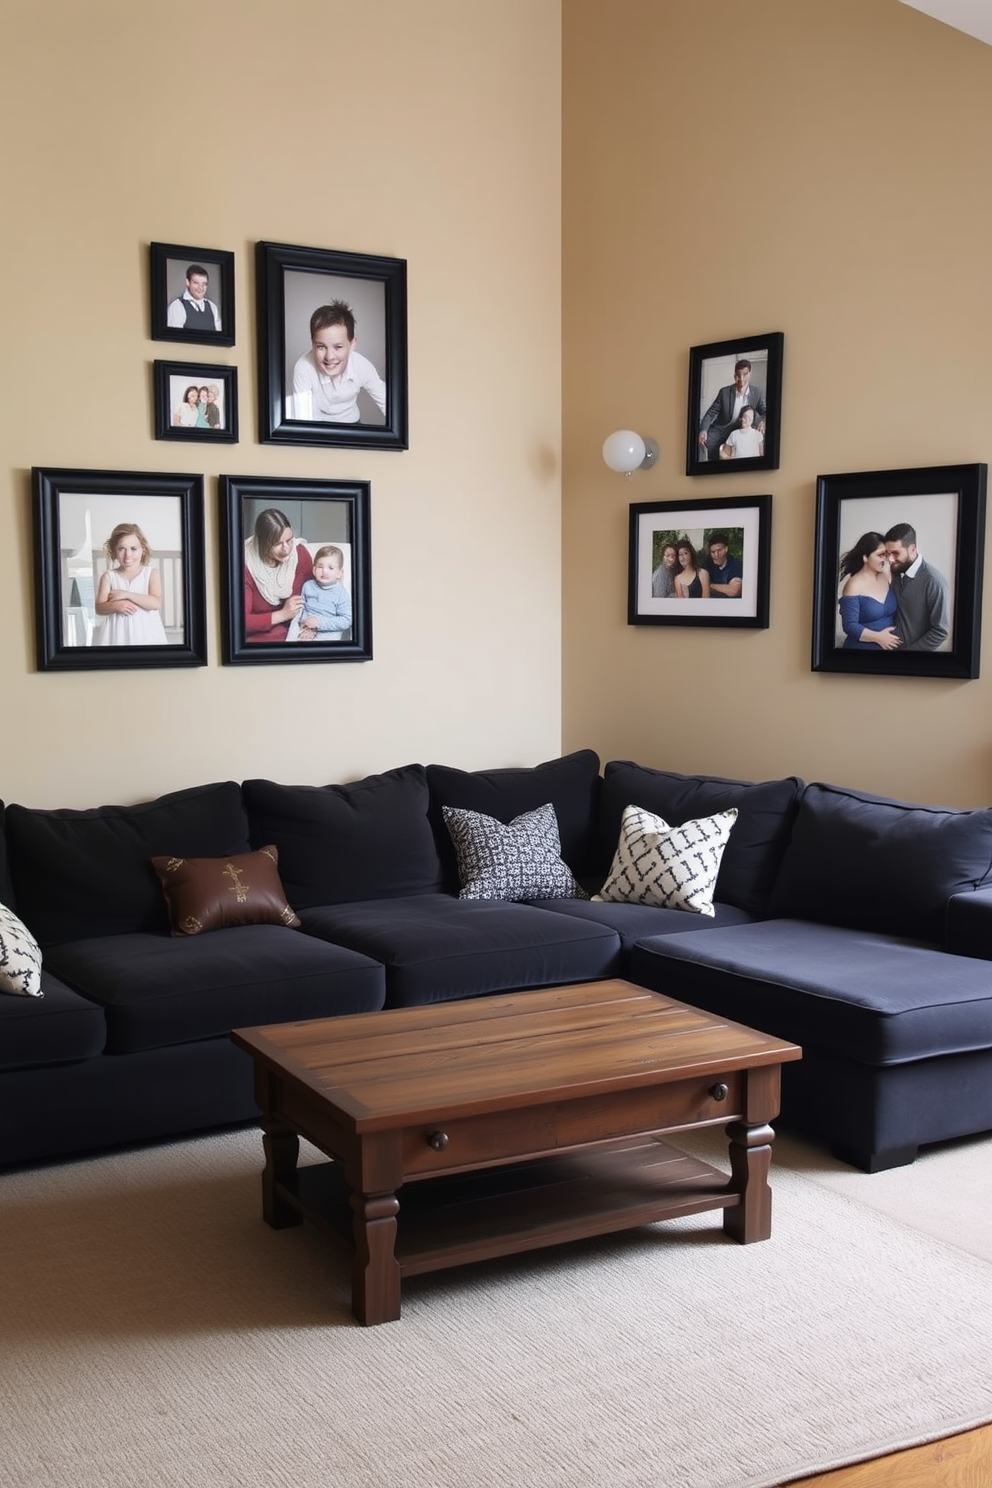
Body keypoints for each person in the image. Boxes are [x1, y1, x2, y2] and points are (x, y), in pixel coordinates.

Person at [291, 300, 386, 424]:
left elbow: (387, 402)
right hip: (318, 424)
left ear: (352, 344)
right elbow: (302, 418)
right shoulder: (303, 367)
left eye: (338, 347)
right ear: (312, 343)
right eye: (321, 347)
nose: (329, 357)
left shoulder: (361, 365)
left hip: (352, 422)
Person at [243, 508, 314, 643]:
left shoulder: (300, 555)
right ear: (262, 544)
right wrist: (282, 615)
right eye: (277, 544)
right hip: (258, 639)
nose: (286, 549)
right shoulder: (246, 563)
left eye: (289, 540)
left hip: (296, 630)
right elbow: (240, 621)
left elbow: (317, 597)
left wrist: (312, 625)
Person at [94, 522, 169, 645]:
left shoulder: (151, 573)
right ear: (114, 550)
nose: (127, 555)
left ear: (142, 549)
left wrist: (127, 594)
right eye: (121, 549)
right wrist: (116, 606)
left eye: (133, 549)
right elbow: (99, 608)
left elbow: (155, 603)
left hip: (146, 633)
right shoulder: (108, 577)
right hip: (117, 634)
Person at [884, 522, 950, 652]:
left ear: (912, 549)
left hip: (913, 663)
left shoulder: (934, 582)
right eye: (887, 553)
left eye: (895, 553)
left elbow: (940, 631)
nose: (890, 559)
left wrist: (908, 656)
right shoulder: (895, 571)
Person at [838, 531, 900, 650]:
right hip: (862, 649)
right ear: (865, 557)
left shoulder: (885, 576)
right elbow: (849, 626)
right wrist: (879, 637)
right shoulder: (853, 585)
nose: (885, 559)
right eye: (880, 555)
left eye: (885, 555)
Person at [697, 358, 767, 463]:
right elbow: (710, 414)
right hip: (723, 428)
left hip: (742, 429)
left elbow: (765, 412)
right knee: (705, 443)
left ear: (750, 375)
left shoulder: (756, 393)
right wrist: (703, 430)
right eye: (738, 375)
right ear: (734, 376)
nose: (742, 379)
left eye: (745, 374)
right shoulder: (724, 392)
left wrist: (764, 422)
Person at [287, 545, 353, 642]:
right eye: (320, 567)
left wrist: (319, 623)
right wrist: (306, 626)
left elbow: (347, 619)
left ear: (339, 573)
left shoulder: (341, 593)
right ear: (314, 570)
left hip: (328, 630)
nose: (324, 571)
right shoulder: (308, 586)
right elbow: (302, 609)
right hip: (306, 625)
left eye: (330, 568)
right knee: (293, 632)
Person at [166, 264, 222, 333]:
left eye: (204, 284)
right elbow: (173, 338)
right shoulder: (177, 306)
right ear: (187, 282)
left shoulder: (212, 307)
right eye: (196, 283)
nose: (201, 288)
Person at [707, 532, 743, 598]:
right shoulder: (709, 566)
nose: (716, 555)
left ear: (726, 549)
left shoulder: (735, 565)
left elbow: (734, 590)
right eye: (713, 552)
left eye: (719, 550)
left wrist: (710, 586)